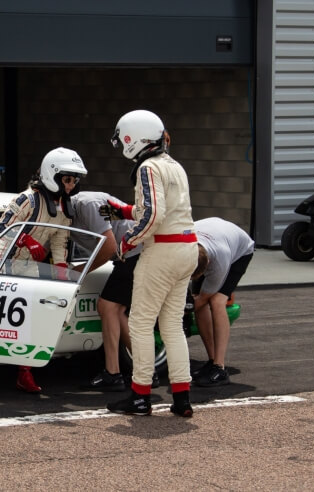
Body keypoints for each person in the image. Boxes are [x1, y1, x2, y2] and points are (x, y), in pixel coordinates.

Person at [106, 109, 198, 418]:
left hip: (162, 251)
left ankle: (140, 396)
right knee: (172, 324)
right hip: (187, 246)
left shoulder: (147, 168)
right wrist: (126, 210)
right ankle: (182, 397)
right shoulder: (174, 165)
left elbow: (154, 216)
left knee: (141, 323)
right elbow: (163, 209)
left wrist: (128, 239)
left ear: (134, 138)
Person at [0, 146, 87, 393]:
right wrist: (25, 239)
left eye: (74, 180)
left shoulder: (66, 206)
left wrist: (63, 271)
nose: (70, 185)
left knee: (31, 316)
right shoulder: (27, 199)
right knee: (0, 317)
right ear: (51, 175)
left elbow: (58, 240)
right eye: (67, 179)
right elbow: (1, 228)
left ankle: (24, 372)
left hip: (29, 265)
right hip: (3, 260)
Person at [70, 191, 149, 392]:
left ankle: (115, 373)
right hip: (129, 253)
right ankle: (144, 371)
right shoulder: (69, 210)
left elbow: (109, 246)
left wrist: (80, 270)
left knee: (107, 306)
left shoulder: (88, 204)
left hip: (136, 251)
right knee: (114, 310)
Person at [190, 217, 254, 386]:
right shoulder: (182, 245)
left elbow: (203, 299)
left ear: (208, 265)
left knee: (216, 300)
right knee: (197, 299)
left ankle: (219, 367)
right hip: (208, 237)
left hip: (240, 250)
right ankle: (211, 360)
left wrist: (179, 313)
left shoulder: (220, 260)